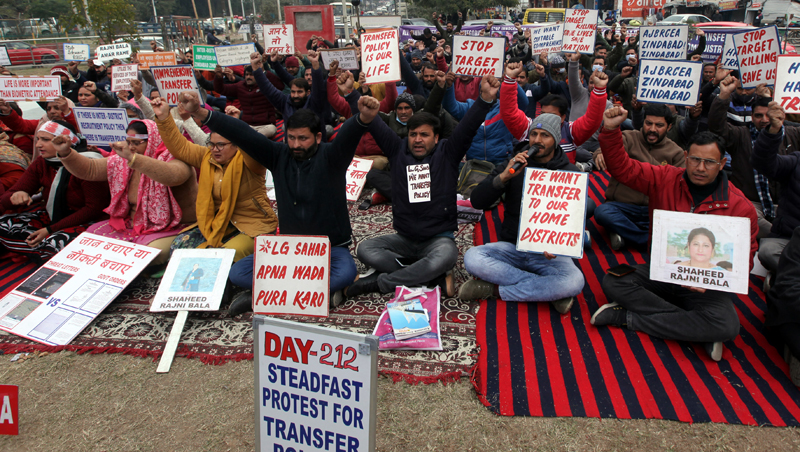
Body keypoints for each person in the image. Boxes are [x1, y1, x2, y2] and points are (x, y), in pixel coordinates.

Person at [175, 90, 381, 315]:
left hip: (330, 247)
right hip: (289, 250)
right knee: (238, 273)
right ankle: (316, 293)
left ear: (318, 138)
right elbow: (243, 134)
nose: (295, 145)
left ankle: (264, 295)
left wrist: (363, 119)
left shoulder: (332, 157)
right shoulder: (278, 155)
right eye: (291, 138)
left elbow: (348, 137)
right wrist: (200, 112)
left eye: (303, 138)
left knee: (345, 273)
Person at [591, 104, 758, 362]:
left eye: (709, 162)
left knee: (727, 326)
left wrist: (710, 279)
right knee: (614, 280)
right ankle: (693, 326)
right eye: (695, 160)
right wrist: (611, 131)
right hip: (662, 273)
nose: (700, 168)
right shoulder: (665, 177)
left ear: (722, 164)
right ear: (685, 156)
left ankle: (629, 318)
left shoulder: (740, 207)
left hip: (705, 288)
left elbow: (744, 262)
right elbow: (623, 168)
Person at [345, 74, 502, 298]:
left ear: (436, 138)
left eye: (424, 135)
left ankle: (380, 283)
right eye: (413, 134)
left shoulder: (448, 153)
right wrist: (352, 95)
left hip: (438, 240)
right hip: (405, 239)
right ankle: (431, 277)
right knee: (364, 250)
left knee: (446, 257)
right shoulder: (397, 150)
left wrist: (485, 99)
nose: (418, 139)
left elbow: (467, 127)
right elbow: (373, 121)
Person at [458, 110, 585, 312]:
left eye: (545, 136)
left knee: (574, 281)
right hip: (513, 246)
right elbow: (477, 201)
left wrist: (558, 245)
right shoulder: (514, 164)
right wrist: (503, 178)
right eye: (534, 134)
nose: (537, 140)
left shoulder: (570, 173)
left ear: (556, 139)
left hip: (548, 254)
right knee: (472, 258)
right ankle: (546, 290)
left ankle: (496, 290)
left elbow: (574, 221)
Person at [151, 95, 278, 266]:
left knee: (221, 257)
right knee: (179, 245)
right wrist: (163, 117)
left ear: (236, 144)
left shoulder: (251, 160)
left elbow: (249, 140)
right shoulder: (207, 157)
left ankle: (228, 290)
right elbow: (179, 147)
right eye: (212, 144)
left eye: (221, 145)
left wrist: (234, 126)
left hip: (252, 225)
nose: (215, 149)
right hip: (217, 224)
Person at [56, 119, 197, 266]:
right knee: (90, 239)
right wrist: (66, 152)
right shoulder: (122, 161)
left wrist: (134, 159)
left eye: (137, 143)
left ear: (155, 139)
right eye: (129, 142)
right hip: (133, 224)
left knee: (146, 256)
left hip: (176, 226)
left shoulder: (176, 158)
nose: (131, 147)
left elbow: (172, 176)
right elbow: (90, 169)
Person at [0, 120, 110, 262]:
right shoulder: (42, 162)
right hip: (54, 217)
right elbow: (9, 195)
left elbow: (93, 209)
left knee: (55, 243)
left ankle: (43, 251)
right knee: (3, 225)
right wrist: (15, 195)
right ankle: (46, 254)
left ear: (65, 143)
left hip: (89, 221)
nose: (38, 144)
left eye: (46, 140)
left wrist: (50, 230)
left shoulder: (88, 164)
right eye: (38, 139)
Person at [709, 76, 800, 240]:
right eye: (758, 116)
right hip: (751, 203)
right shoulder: (740, 134)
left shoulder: (793, 134)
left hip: (785, 204)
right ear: (751, 116)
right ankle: (776, 238)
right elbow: (717, 126)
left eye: (769, 115)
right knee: (747, 217)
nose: (765, 120)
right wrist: (723, 96)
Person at [593, 103, 686, 250]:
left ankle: (625, 234)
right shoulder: (629, 137)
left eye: (659, 125)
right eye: (648, 123)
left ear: (669, 127)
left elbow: (680, 187)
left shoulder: (677, 152)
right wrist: (599, 153)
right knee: (602, 213)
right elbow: (609, 148)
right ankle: (651, 241)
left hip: (654, 210)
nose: (652, 129)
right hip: (623, 206)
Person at [751, 101, 800, 288]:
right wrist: (774, 131)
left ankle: (786, 279)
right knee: (767, 251)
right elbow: (763, 163)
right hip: (789, 240)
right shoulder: (796, 161)